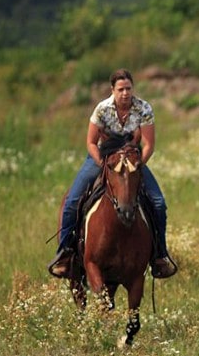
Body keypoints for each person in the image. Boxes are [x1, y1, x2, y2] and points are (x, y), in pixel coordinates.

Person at [48, 68, 177, 279]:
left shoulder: (143, 108)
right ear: (113, 90)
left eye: (128, 88)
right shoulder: (102, 109)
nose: (125, 93)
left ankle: (159, 256)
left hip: (132, 158)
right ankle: (65, 254)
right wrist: (101, 163)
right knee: (72, 200)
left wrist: (136, 167)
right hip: (102, 156)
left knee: (158, 203)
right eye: (121, 89)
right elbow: (90, 142)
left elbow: (149, 144)